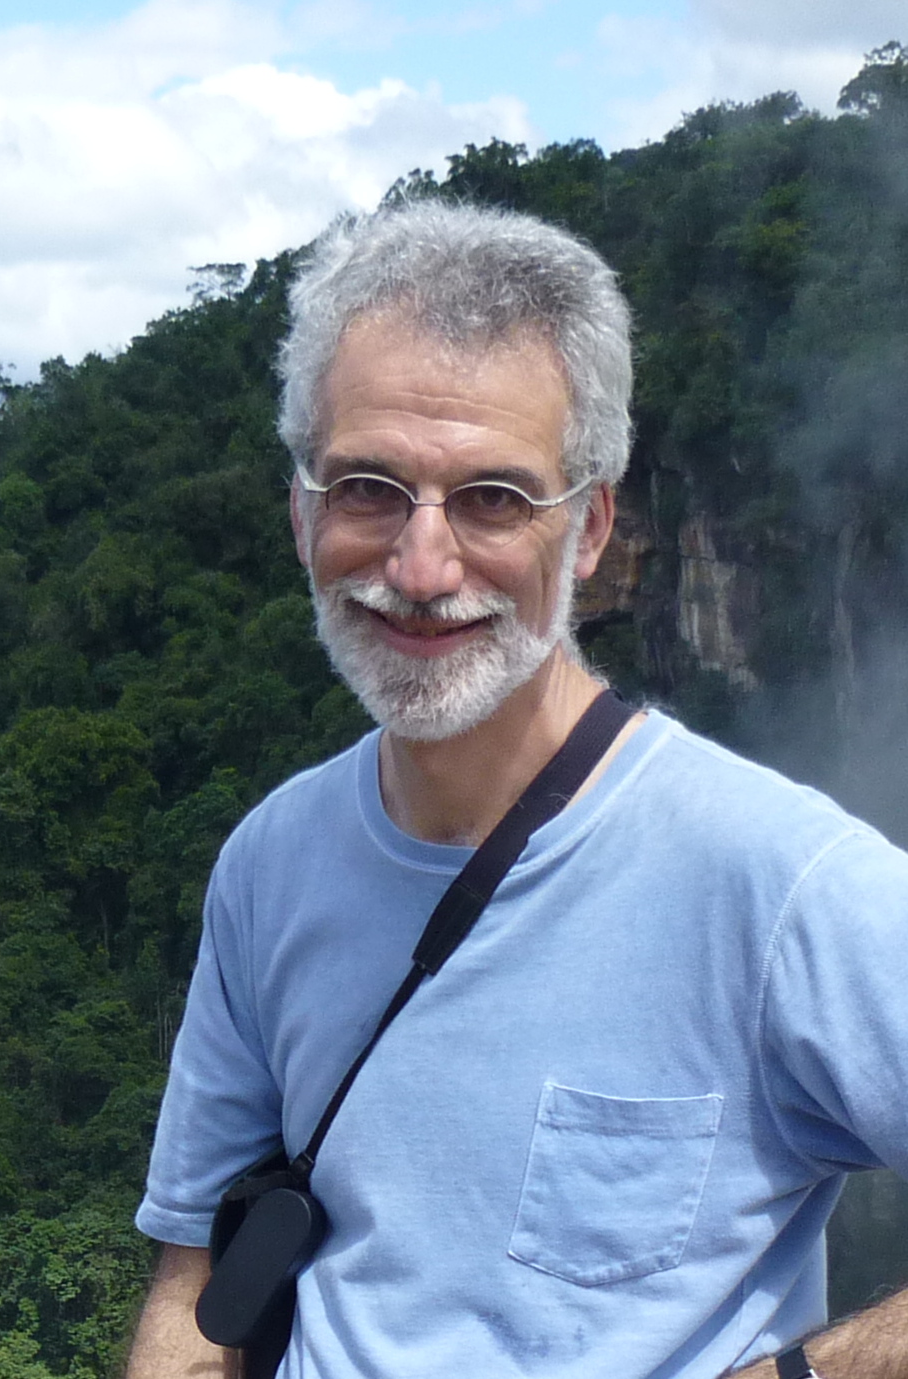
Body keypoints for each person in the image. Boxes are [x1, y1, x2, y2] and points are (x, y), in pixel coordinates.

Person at [126, 200, 908, 1379]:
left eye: (494, 498)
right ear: (301, 513)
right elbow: (198, 1278)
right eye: (368, 487)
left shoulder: (781, 879)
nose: (421, 566)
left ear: (589, 527)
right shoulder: (270, 861)